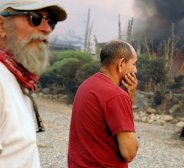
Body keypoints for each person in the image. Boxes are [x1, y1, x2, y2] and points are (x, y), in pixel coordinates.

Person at [0, 0, 67, 167]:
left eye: (51, 22)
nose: (47, 29)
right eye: (35, 18)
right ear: (2, 26)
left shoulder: (16, 77)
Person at [68, 40, 139, 168]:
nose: (136, 70)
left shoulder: (86, 85)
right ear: (121, 63)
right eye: (134, 64)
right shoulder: (116, 95)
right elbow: (129, 152)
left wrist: (129, 98)